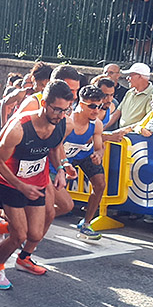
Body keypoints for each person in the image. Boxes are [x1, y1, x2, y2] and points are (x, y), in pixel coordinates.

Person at [0, 80, 73, 289]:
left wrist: (60, 169)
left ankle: (0, 226)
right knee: (19, 235)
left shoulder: (62, 123)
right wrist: (20, 186)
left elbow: (54, 148)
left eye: (65, 110)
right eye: (56, 109)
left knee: (35, 234)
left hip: (36, 182)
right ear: (44, 103)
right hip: (10, 182)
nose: (60, 115)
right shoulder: (20, 128)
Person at [51, 85, 107, 240]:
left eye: (99, 106)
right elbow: (57, 145)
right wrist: (64, 164)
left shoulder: (97, 124)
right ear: (81, 104)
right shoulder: (67, 121)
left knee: (100, 184)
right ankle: (36, 217)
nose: (96, 111)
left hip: (84, 155)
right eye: (92, 106)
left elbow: (99, 147)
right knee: (61, 203)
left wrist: (98, 155)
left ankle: (86, 224)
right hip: (62, 157)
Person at [108, 62, 153, 130]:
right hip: (121, 133)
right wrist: (103, 127)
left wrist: (126, 130)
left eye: (130, 75)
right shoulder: (130, 92)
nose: (127, 78)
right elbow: (117, 113)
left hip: (137, 134)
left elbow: (149, 120)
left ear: (139, 76)